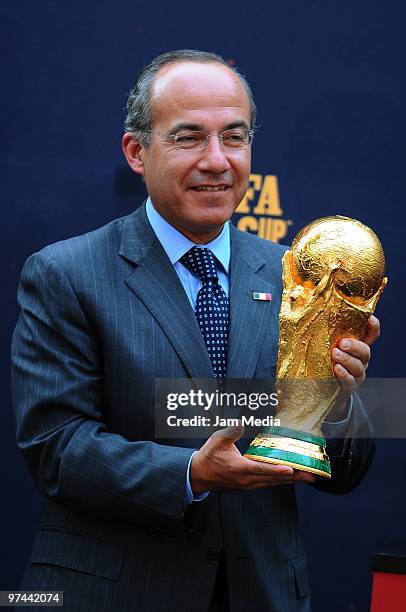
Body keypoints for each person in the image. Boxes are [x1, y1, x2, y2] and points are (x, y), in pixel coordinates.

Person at [11, 50, 379, 612]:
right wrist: (190, 473)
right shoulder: (66, 274)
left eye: (234, 137)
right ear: (137, 151)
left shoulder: (299, 279)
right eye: (189, 138)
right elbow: (55, 449)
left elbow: (344, 472)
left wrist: (334, 401)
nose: (217, 160)